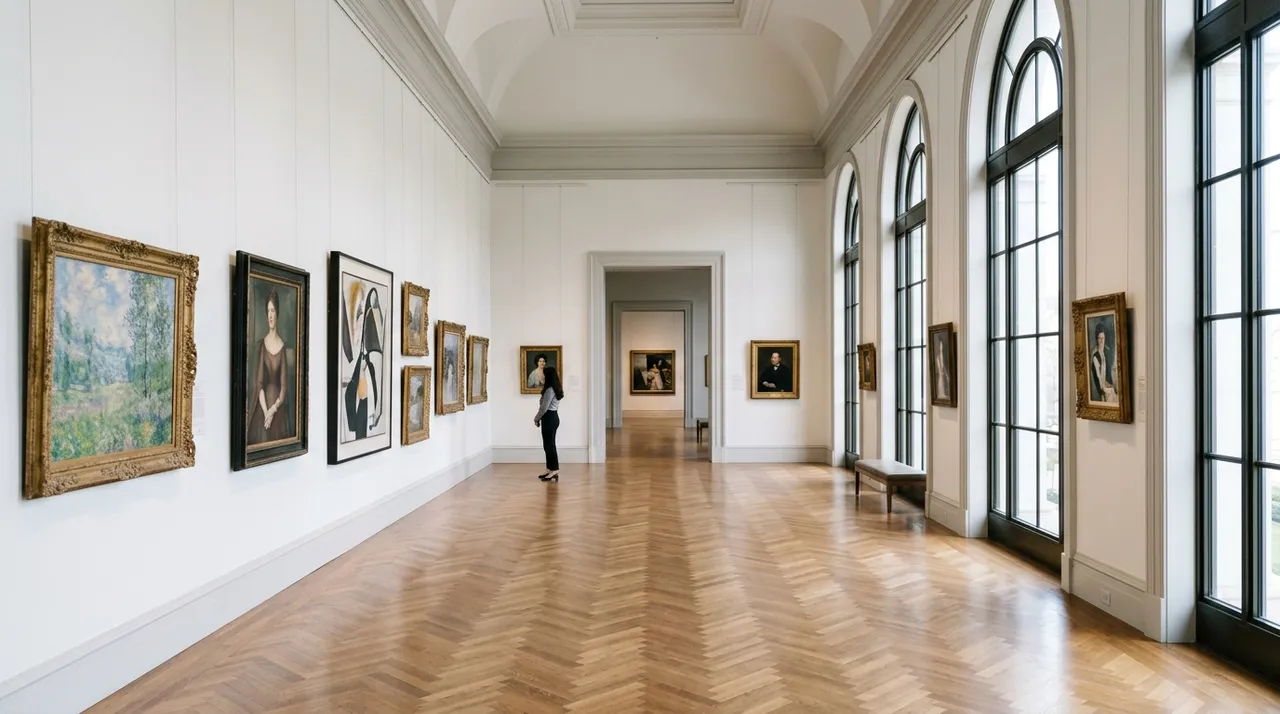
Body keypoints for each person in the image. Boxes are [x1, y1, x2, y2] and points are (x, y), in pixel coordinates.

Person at [248, 287, 291, 445]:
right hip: (262, 408)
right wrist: (266, 412)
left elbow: (284, 388)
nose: (270, 315)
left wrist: (273, 411)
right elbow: (259, 384)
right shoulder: (261, 345)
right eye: (268, 311)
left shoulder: (283, 347)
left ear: (277, 313)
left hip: (278, 411)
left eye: (273, 310)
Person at [534, 366, 564, 482]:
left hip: (550, 417)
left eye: (543, 373)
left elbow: (544, 407)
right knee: (548, 445)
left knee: (549, 445)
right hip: (551, 417)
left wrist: (536, 418)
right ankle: (549, 468)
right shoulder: (552, 388)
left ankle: (554, 469)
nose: (541, 375)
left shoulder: (550, 389)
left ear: (547, 376)